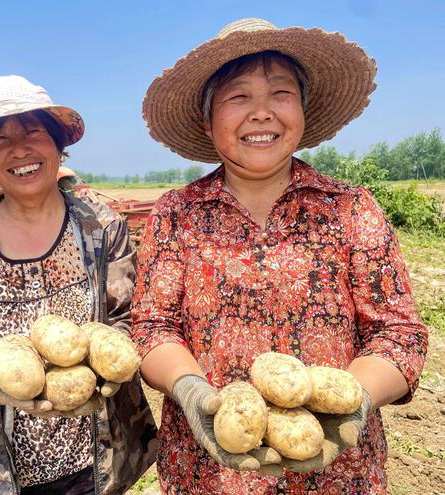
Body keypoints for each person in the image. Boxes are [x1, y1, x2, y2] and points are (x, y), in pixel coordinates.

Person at [131, 18, 428, 494]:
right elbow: (152, 327)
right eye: (238, 97)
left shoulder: (351, 208)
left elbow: (399, 333)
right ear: (209, 122)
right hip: (210, 473)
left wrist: (353, 402)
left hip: (338, 472)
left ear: (304, 113)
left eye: (281, 94)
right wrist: (190, 390)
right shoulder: (176, 214)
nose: (262, 113)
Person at [0, 75, 156, 495]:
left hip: (99, 459)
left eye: (33, 132)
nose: (19, 150)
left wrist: (106, 358)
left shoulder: (104, 228)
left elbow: (128, 317)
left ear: (57, 145)